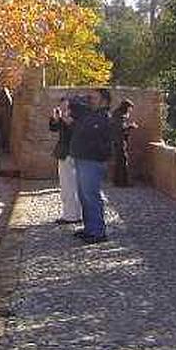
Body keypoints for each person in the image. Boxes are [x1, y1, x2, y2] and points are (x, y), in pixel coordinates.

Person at [68, 88, 113, 244]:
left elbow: (94, 136)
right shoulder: (90, 115)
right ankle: (90, 228)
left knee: (91, 196)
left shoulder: (104, 117)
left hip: (92, 161)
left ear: (104, 100)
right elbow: (73, 107)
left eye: (94, 97)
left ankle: (98, 232)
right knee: (84, 196)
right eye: (90, 97)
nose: (91, 100)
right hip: (83, 159)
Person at [49, 97, 81, 225]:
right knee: (67, 185)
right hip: (65, 153)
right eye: (61, 106)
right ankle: (72, 214)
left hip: (71, 153)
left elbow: (72, 128)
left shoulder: (77, 116)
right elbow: (54, 128)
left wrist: (62, 118)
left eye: (65, 106)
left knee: (70, 185)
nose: (63, 108)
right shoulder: (65, 117)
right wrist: (55, 119)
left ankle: (72, 216)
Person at [111, 98, 138, 187]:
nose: (130, 111)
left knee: (119, 161)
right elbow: (121, 129)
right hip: (119, 141)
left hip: (117, 140)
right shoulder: (120, 116)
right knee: (122, 162)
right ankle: (123, 182)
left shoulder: (116, 114)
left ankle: (117, 181)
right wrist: (131, 126)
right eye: (130, 108)